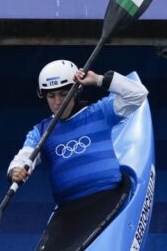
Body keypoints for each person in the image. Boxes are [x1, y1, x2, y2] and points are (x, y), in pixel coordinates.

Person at [8, 60, 148, 205]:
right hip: (70, 210)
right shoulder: (40, 131)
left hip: (109, 197)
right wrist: (15, 170)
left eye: (63, 94)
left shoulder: (101, 112)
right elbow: (24, 157)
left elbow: (138, 94)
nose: (57, 102)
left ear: (76, 90)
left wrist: (98, 80)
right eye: (51, 96)